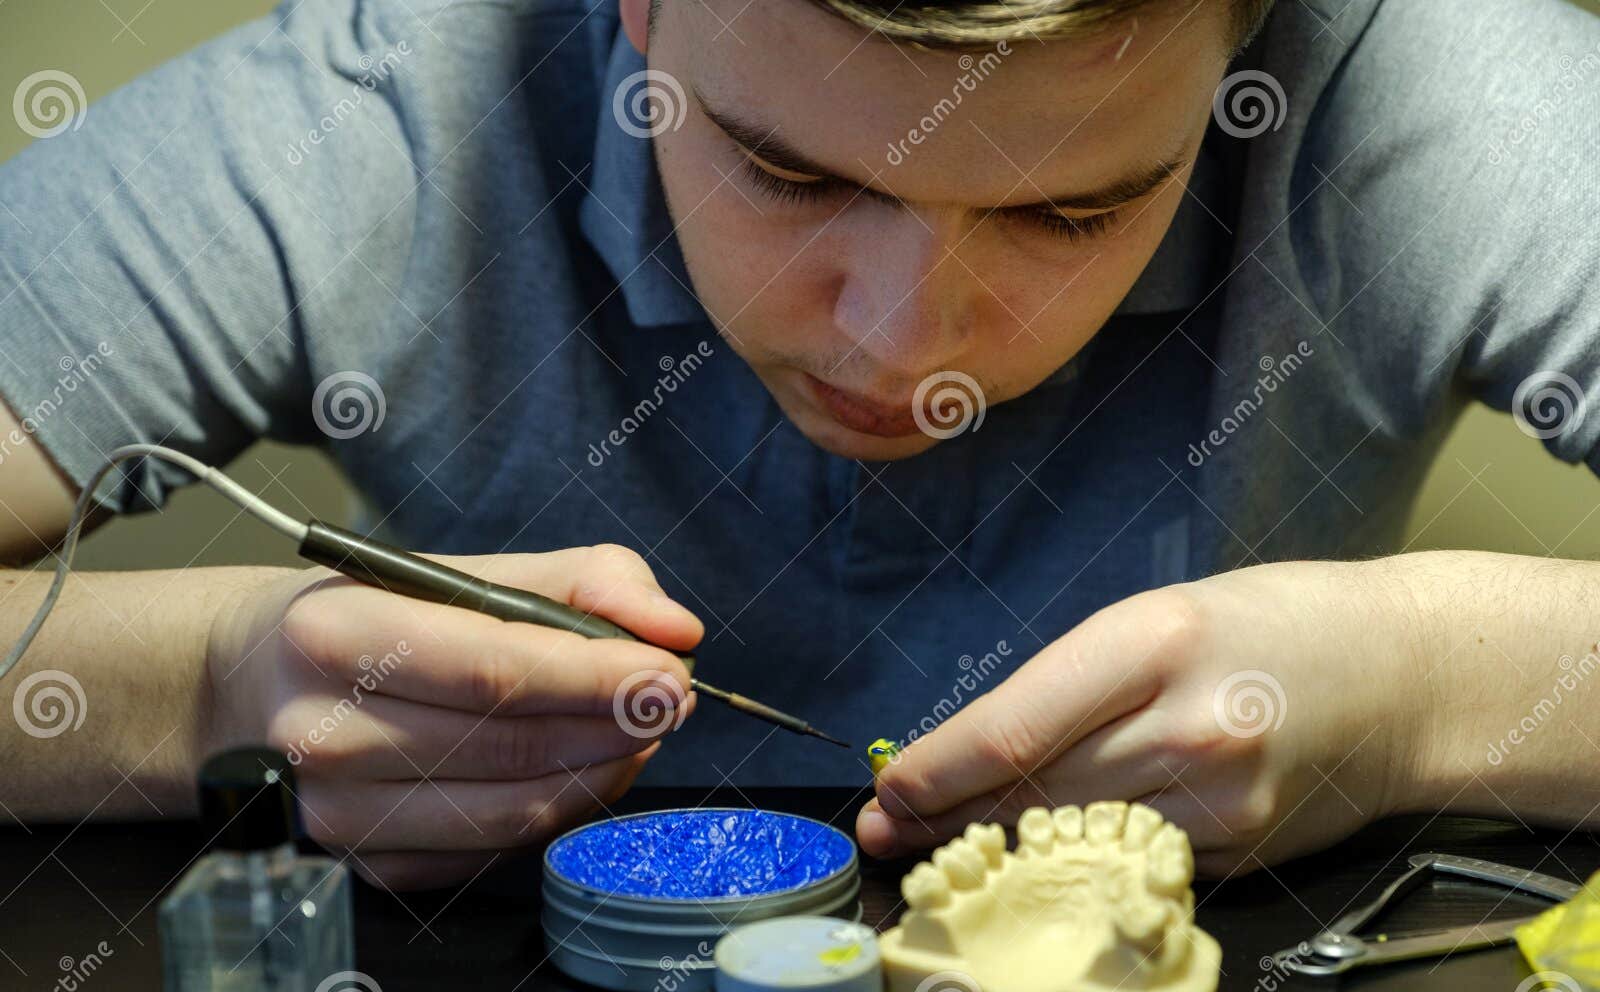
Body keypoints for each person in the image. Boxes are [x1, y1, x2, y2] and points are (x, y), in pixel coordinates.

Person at [0, 0, 1596, 890]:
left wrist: (1425, 689)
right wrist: (210, 687)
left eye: (1070, 208)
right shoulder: (383, 109)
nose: (901, 345)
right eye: (787, 170)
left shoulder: (1432, 89)